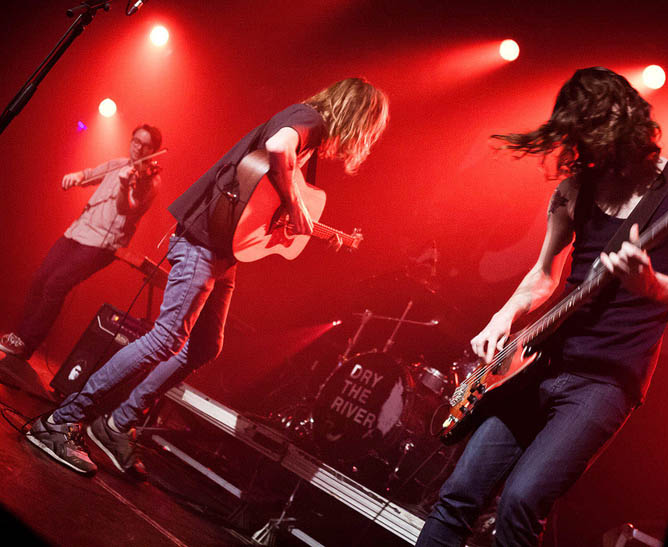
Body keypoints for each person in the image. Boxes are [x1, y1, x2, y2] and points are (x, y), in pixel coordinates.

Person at [24, 78, 389, 477]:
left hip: (222, 251)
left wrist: (301, 221)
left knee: (204, 347)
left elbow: (265, 196)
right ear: (356, 115)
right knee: (166, 338)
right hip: (201, 243)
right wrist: (296, 205)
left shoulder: (310, 137)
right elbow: (278, 148)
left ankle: (116, 424)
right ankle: (59, 422)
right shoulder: (307, 120)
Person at [416, 67, 668, 546]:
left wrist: (652, 286)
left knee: (520, 502)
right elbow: (543, 274)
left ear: (627, 125)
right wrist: (504, 316)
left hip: (605, 383)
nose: (595, 159)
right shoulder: (576, 188)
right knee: (457, 494)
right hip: (536, 362)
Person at [0, 125, 162, 360]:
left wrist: (126, 185)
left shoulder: (150, 180)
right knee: (39, 280)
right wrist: (76, 176)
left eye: (145, 145)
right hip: (77, 231)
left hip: (101, 244)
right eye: (135, 140)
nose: (138, 147)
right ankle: (17, 335)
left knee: (56, 285)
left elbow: (126, 208)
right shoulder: (119, 163)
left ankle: (25, 342)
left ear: (154, 150)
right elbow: (89, 175)